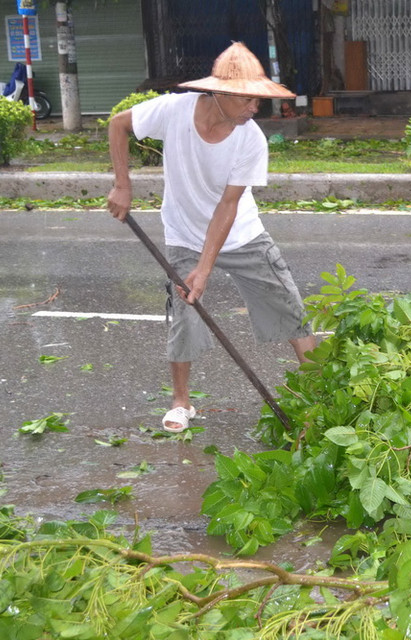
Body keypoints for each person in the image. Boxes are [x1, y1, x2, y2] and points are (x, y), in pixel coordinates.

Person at [106, 42, 316, 433]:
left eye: (257, 99)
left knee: (289, 308)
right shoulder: (173, 111)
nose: (255, 107)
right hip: (184, 233)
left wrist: (204, 270)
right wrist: (122, 185)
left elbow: (228, 206)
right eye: (247, 99)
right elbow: (118, 124)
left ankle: (321, 397)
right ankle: (181, 402)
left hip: (242, 234)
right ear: (219, 93)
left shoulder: (251, 139)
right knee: (184, 314)